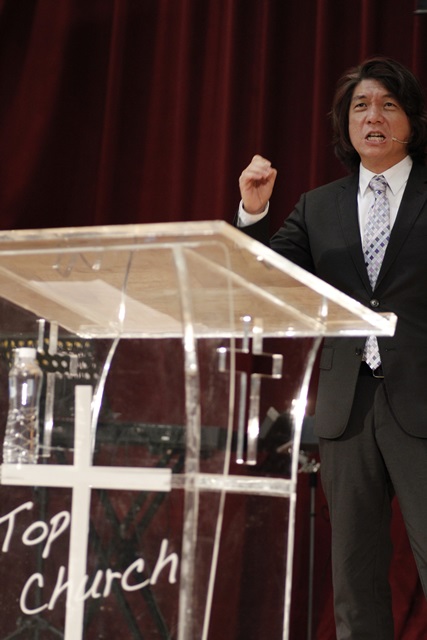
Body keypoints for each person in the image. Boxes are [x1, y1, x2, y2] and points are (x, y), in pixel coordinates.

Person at [237, 57, 427, 640]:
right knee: (354, 580)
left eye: (388, 105)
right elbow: (268, 280)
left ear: (412, 120)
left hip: (423, 401)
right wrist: (253, 212)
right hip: (347, 409)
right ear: (346, 124)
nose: (373, 117)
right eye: (360, 106)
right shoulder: (318, 206)